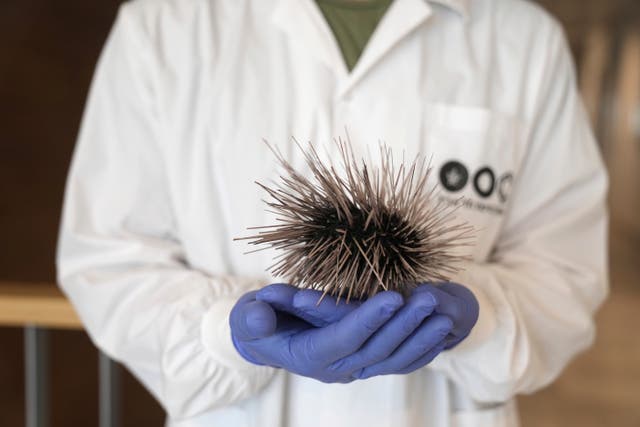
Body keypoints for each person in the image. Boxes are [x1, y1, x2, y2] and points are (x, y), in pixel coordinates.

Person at [56, 0, 608, 426]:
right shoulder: (163, 26)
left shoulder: (523, 40)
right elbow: (109, 258)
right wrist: (221, 334)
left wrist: (481, 316)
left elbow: (565, 269)